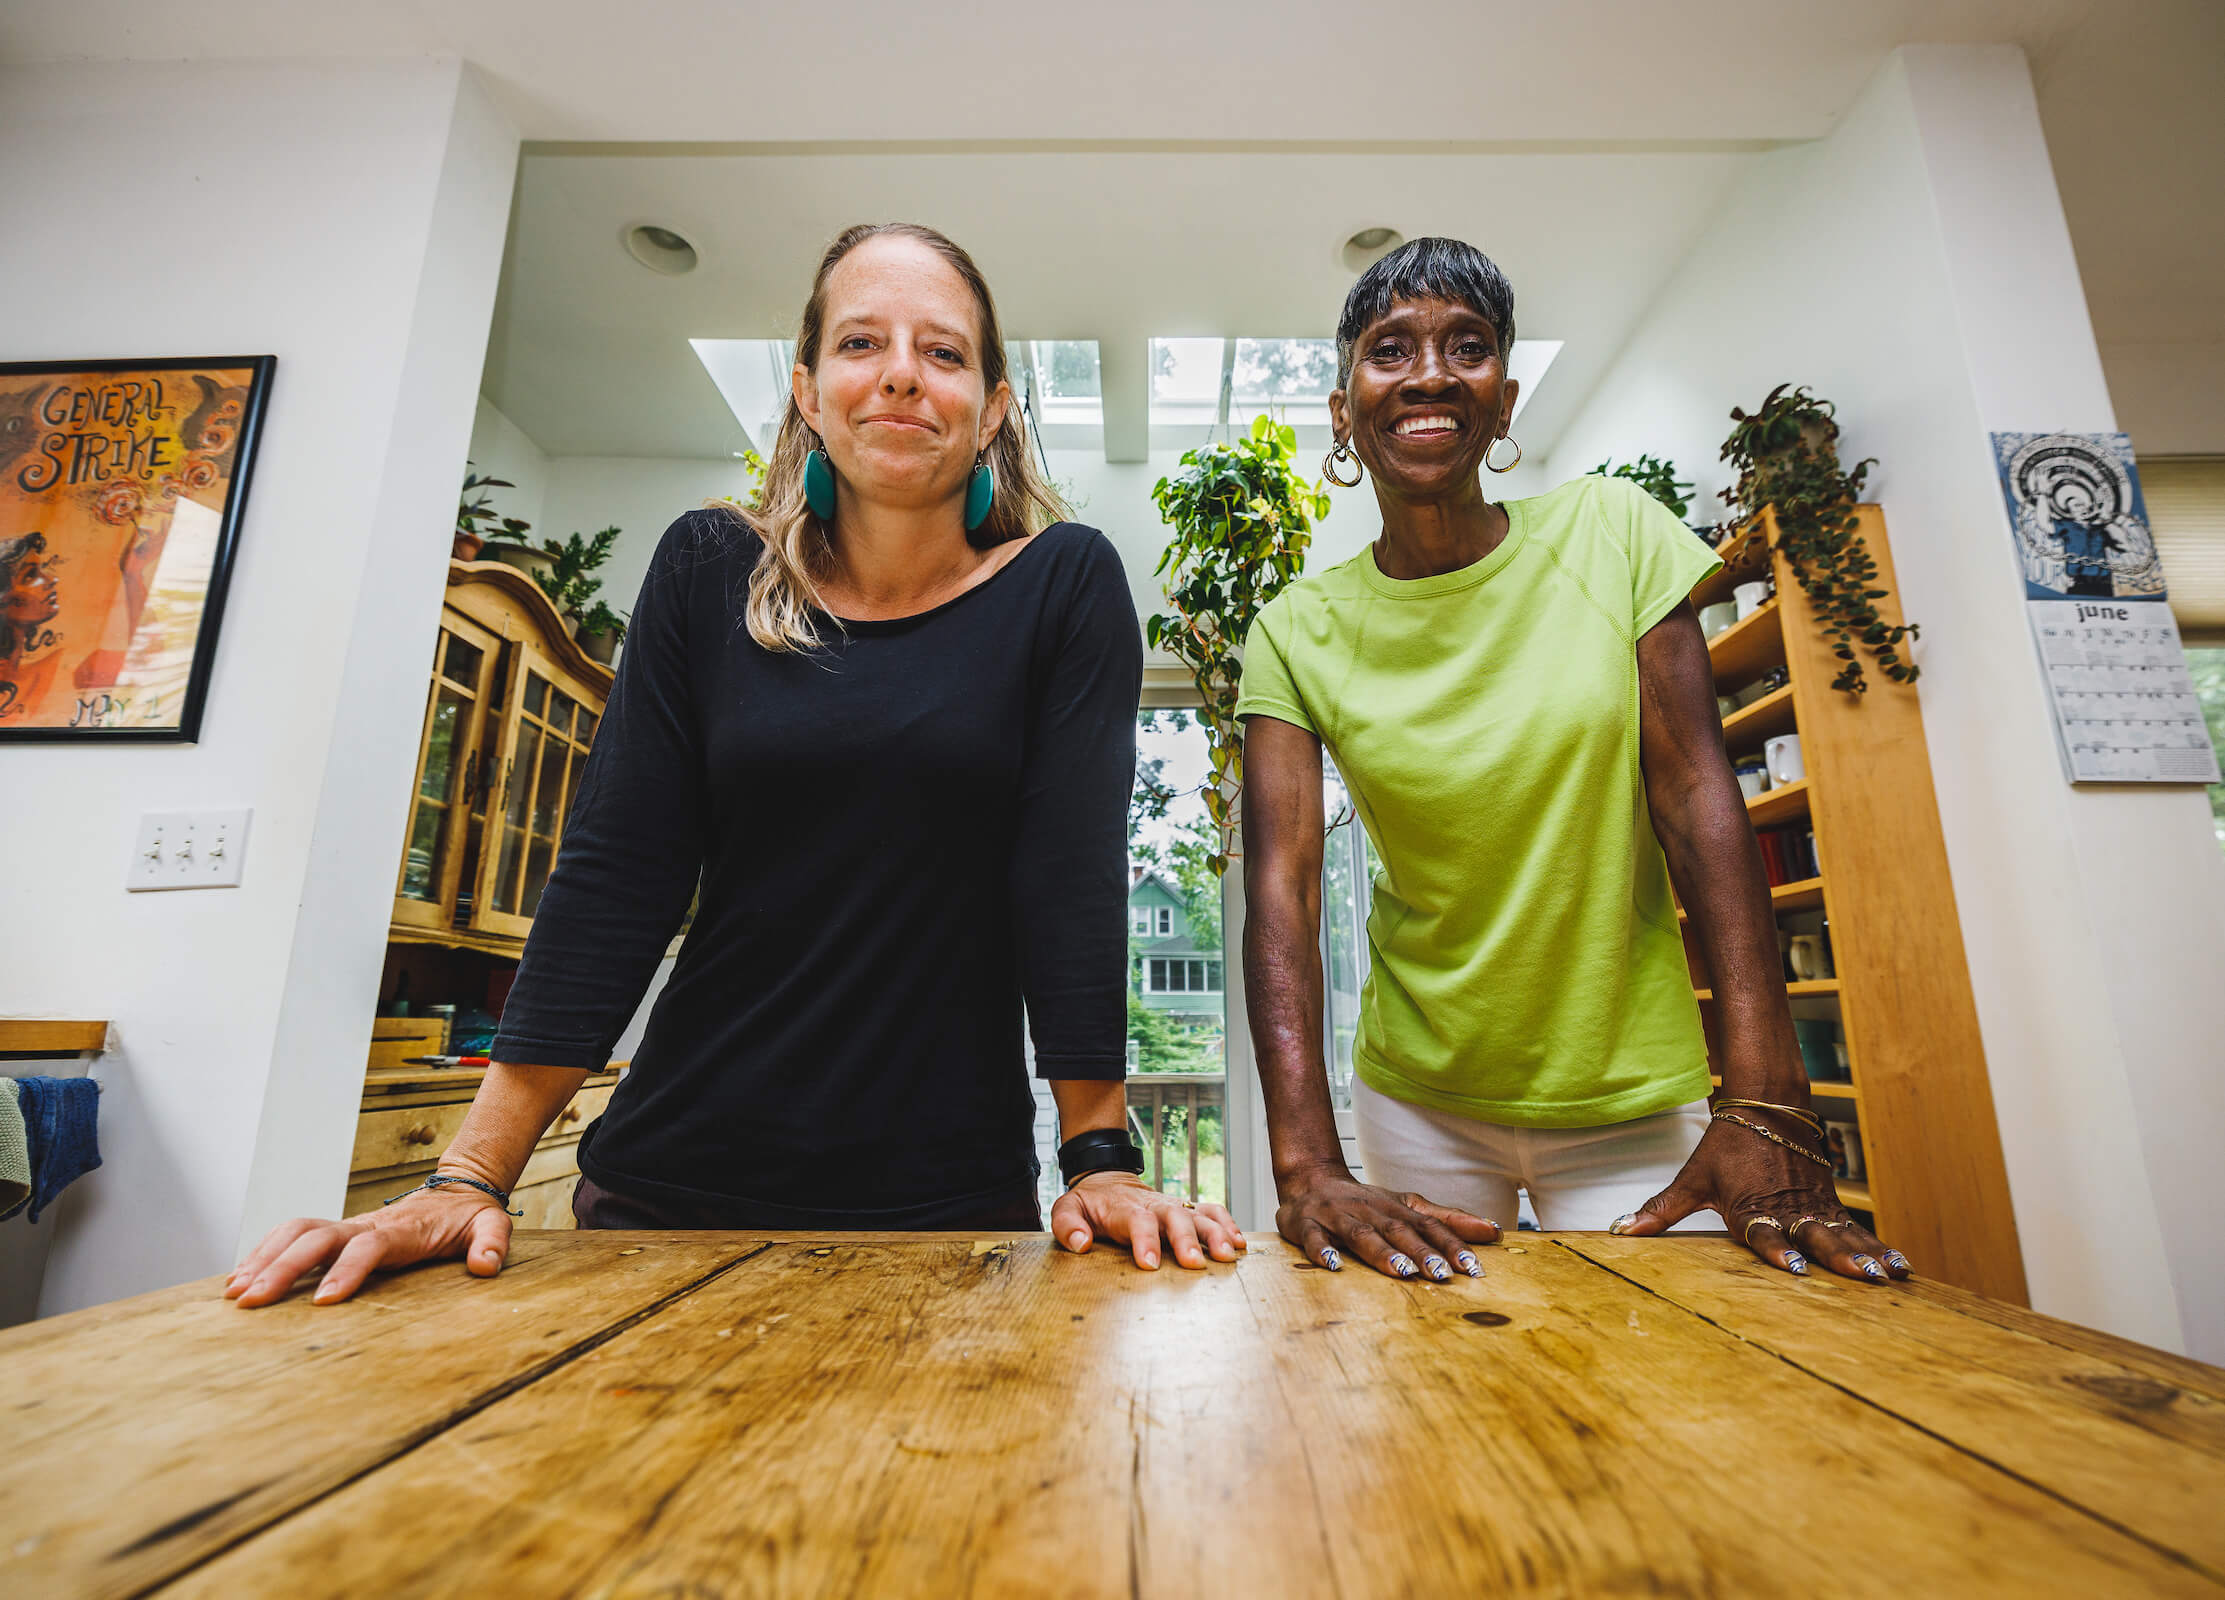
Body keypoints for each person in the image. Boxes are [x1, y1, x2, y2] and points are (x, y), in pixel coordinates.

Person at [230, 222, 1242, 1309]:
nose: (901, 373)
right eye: (862, 343)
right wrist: (468, 1173)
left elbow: (1068, 879)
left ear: (994, 405)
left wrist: (1098, 1161)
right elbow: (618, 872)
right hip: (671, 1191)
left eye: (942, 352)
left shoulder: (1063, 585)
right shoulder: (708, 569)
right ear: (807, 390)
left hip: (944, 1206)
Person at [1237, 237, 1907, 1285]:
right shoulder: (1295, 629)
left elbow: (1696, 800)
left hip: (1635, 1102)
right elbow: (1280, 890)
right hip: (1418, 1107)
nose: (1426, 373)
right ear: (1341, 409)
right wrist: (1306, 1162)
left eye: (1465, 347)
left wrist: (1766, 1094)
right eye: (1388, 349)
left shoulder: (1614, 533)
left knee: (1678, 1394)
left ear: (1501, 404)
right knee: (1443, 1403)